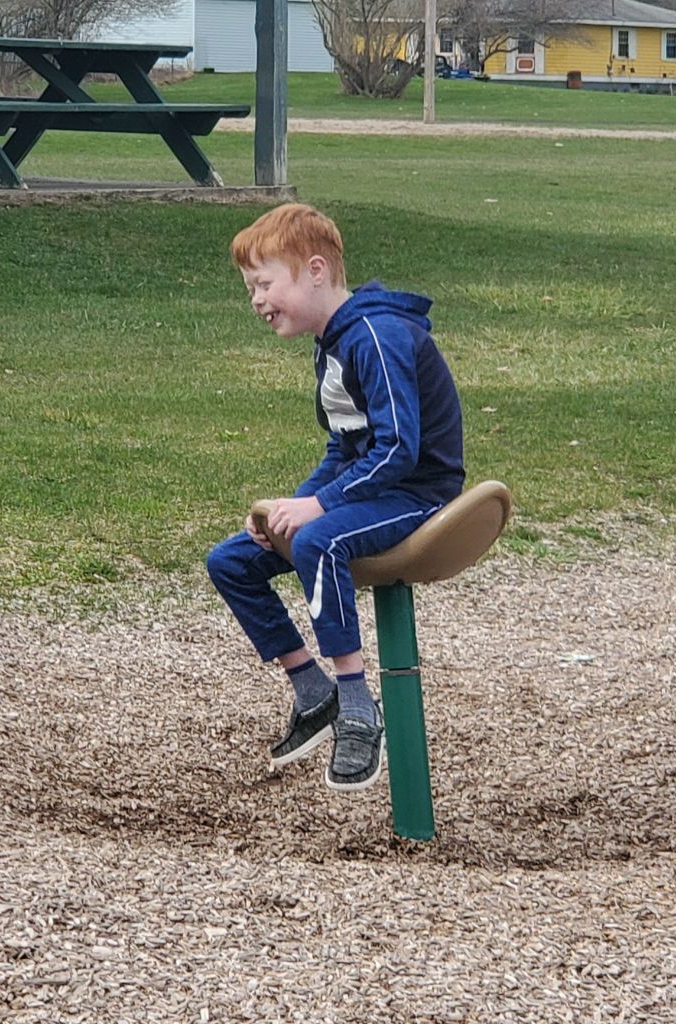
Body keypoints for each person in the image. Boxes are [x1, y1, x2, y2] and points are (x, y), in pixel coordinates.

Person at [206, 203, 464, 792]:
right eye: (251, 289)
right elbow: (344, 445)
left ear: (315, 271)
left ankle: (358, 705)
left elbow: (398, 448)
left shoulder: (374, 335)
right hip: (376, 486)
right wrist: (287, 510)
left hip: (419, 491)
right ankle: (313, 691)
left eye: (264, 283)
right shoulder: (334, 341)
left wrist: (318, 509)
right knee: (232, 561)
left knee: (318, 540)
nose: (256, 299)